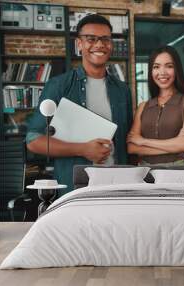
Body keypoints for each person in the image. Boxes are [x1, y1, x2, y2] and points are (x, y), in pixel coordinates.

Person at [26, 14, 133, 195]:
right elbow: (33, 141)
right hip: (75, 187)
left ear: (111, 44)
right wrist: (82, 149)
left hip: (117, 186)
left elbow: (128, 140)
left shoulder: (122, 90)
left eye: (105, 39)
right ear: (79, 44)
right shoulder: (59, 86)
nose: (99, 44)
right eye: (91, 39)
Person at [127, 46, 184, 166]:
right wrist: (175, 145)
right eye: (156, 67)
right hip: (146, 173)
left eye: (169, 66)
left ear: (177, 69)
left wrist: (143, 141)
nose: (162, 72)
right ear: (151, 71)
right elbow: (132, 148)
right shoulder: (143, 106)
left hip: (178, 172)